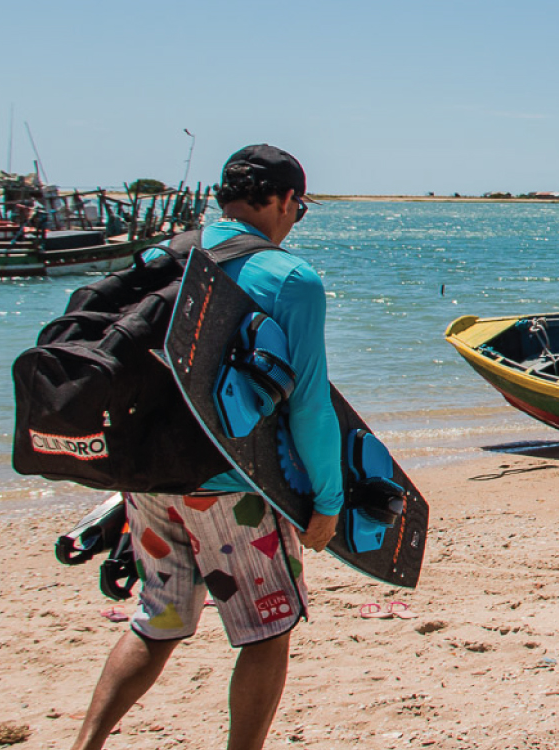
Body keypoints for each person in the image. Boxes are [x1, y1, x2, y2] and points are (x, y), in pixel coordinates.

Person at [72, 145, 337, 750]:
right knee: (267, 631)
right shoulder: (290, 278)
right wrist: (327, 500)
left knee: (158, 620)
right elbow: (309, 403)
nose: (296, 218)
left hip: (147, 481)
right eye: (299, 206)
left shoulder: (166, 256)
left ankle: (85, 744)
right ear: (280, 199)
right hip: (229, 486)